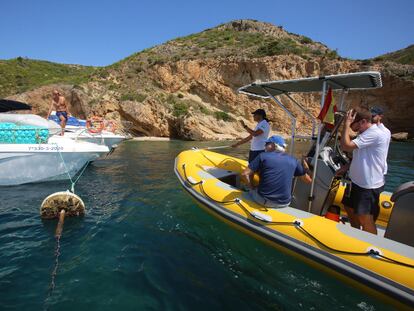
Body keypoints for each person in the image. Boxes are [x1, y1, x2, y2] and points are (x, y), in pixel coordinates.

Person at [339, 108, 389, 234]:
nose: (351, 127)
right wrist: (346, 167)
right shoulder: (365, 133)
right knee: (349, 207)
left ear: (363, 122)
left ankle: (371, 245)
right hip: (356, 181)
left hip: (367, 185)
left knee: (365, 218)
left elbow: (346, 146)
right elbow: (361, 154)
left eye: (352, 124)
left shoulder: (374, 133)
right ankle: (356, 233)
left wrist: (345, 124)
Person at [242, 135, 312, 208]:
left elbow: (244, 174)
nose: (264, 146)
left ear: (274, 145)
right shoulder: (294, 160)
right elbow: (308, 181)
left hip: (264, 201)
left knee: (246, 189)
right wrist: (306, 167)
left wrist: (251, 187)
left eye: (266, 144)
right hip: (285, 203)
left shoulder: (263, 156)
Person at [371, 106, 391, 175]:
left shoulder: (385, 131)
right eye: (370, 115)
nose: (371, 117)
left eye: (373, 115)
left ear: (380, 116)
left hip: (378, 169)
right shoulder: (370, 129)